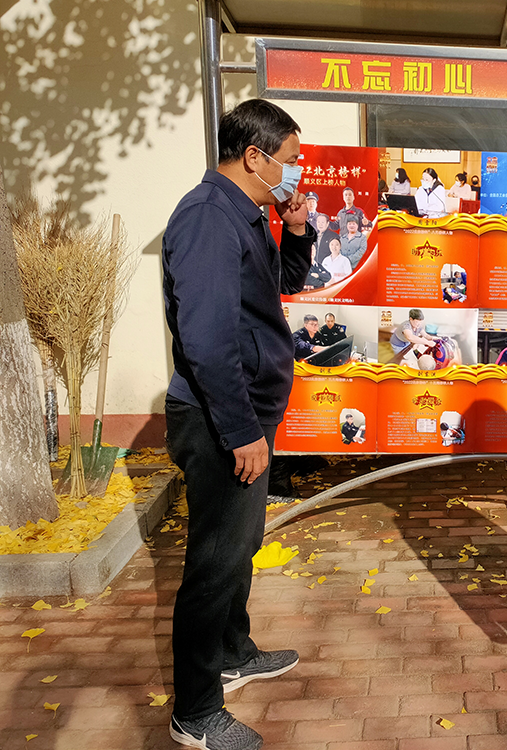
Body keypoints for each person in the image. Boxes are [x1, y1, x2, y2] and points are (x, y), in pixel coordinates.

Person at [161, 99, 312, 750]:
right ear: (255, 156)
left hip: (245, 411)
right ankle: (194, 712)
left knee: (238, 548)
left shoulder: (245, 214)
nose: (296, 171)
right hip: (220, 417)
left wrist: (296, 230)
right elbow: (208, 339)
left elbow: (277, 288)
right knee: (214, 563)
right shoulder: (206, 217)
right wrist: (241, 430)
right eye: (291, 160)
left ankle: (232, 653)